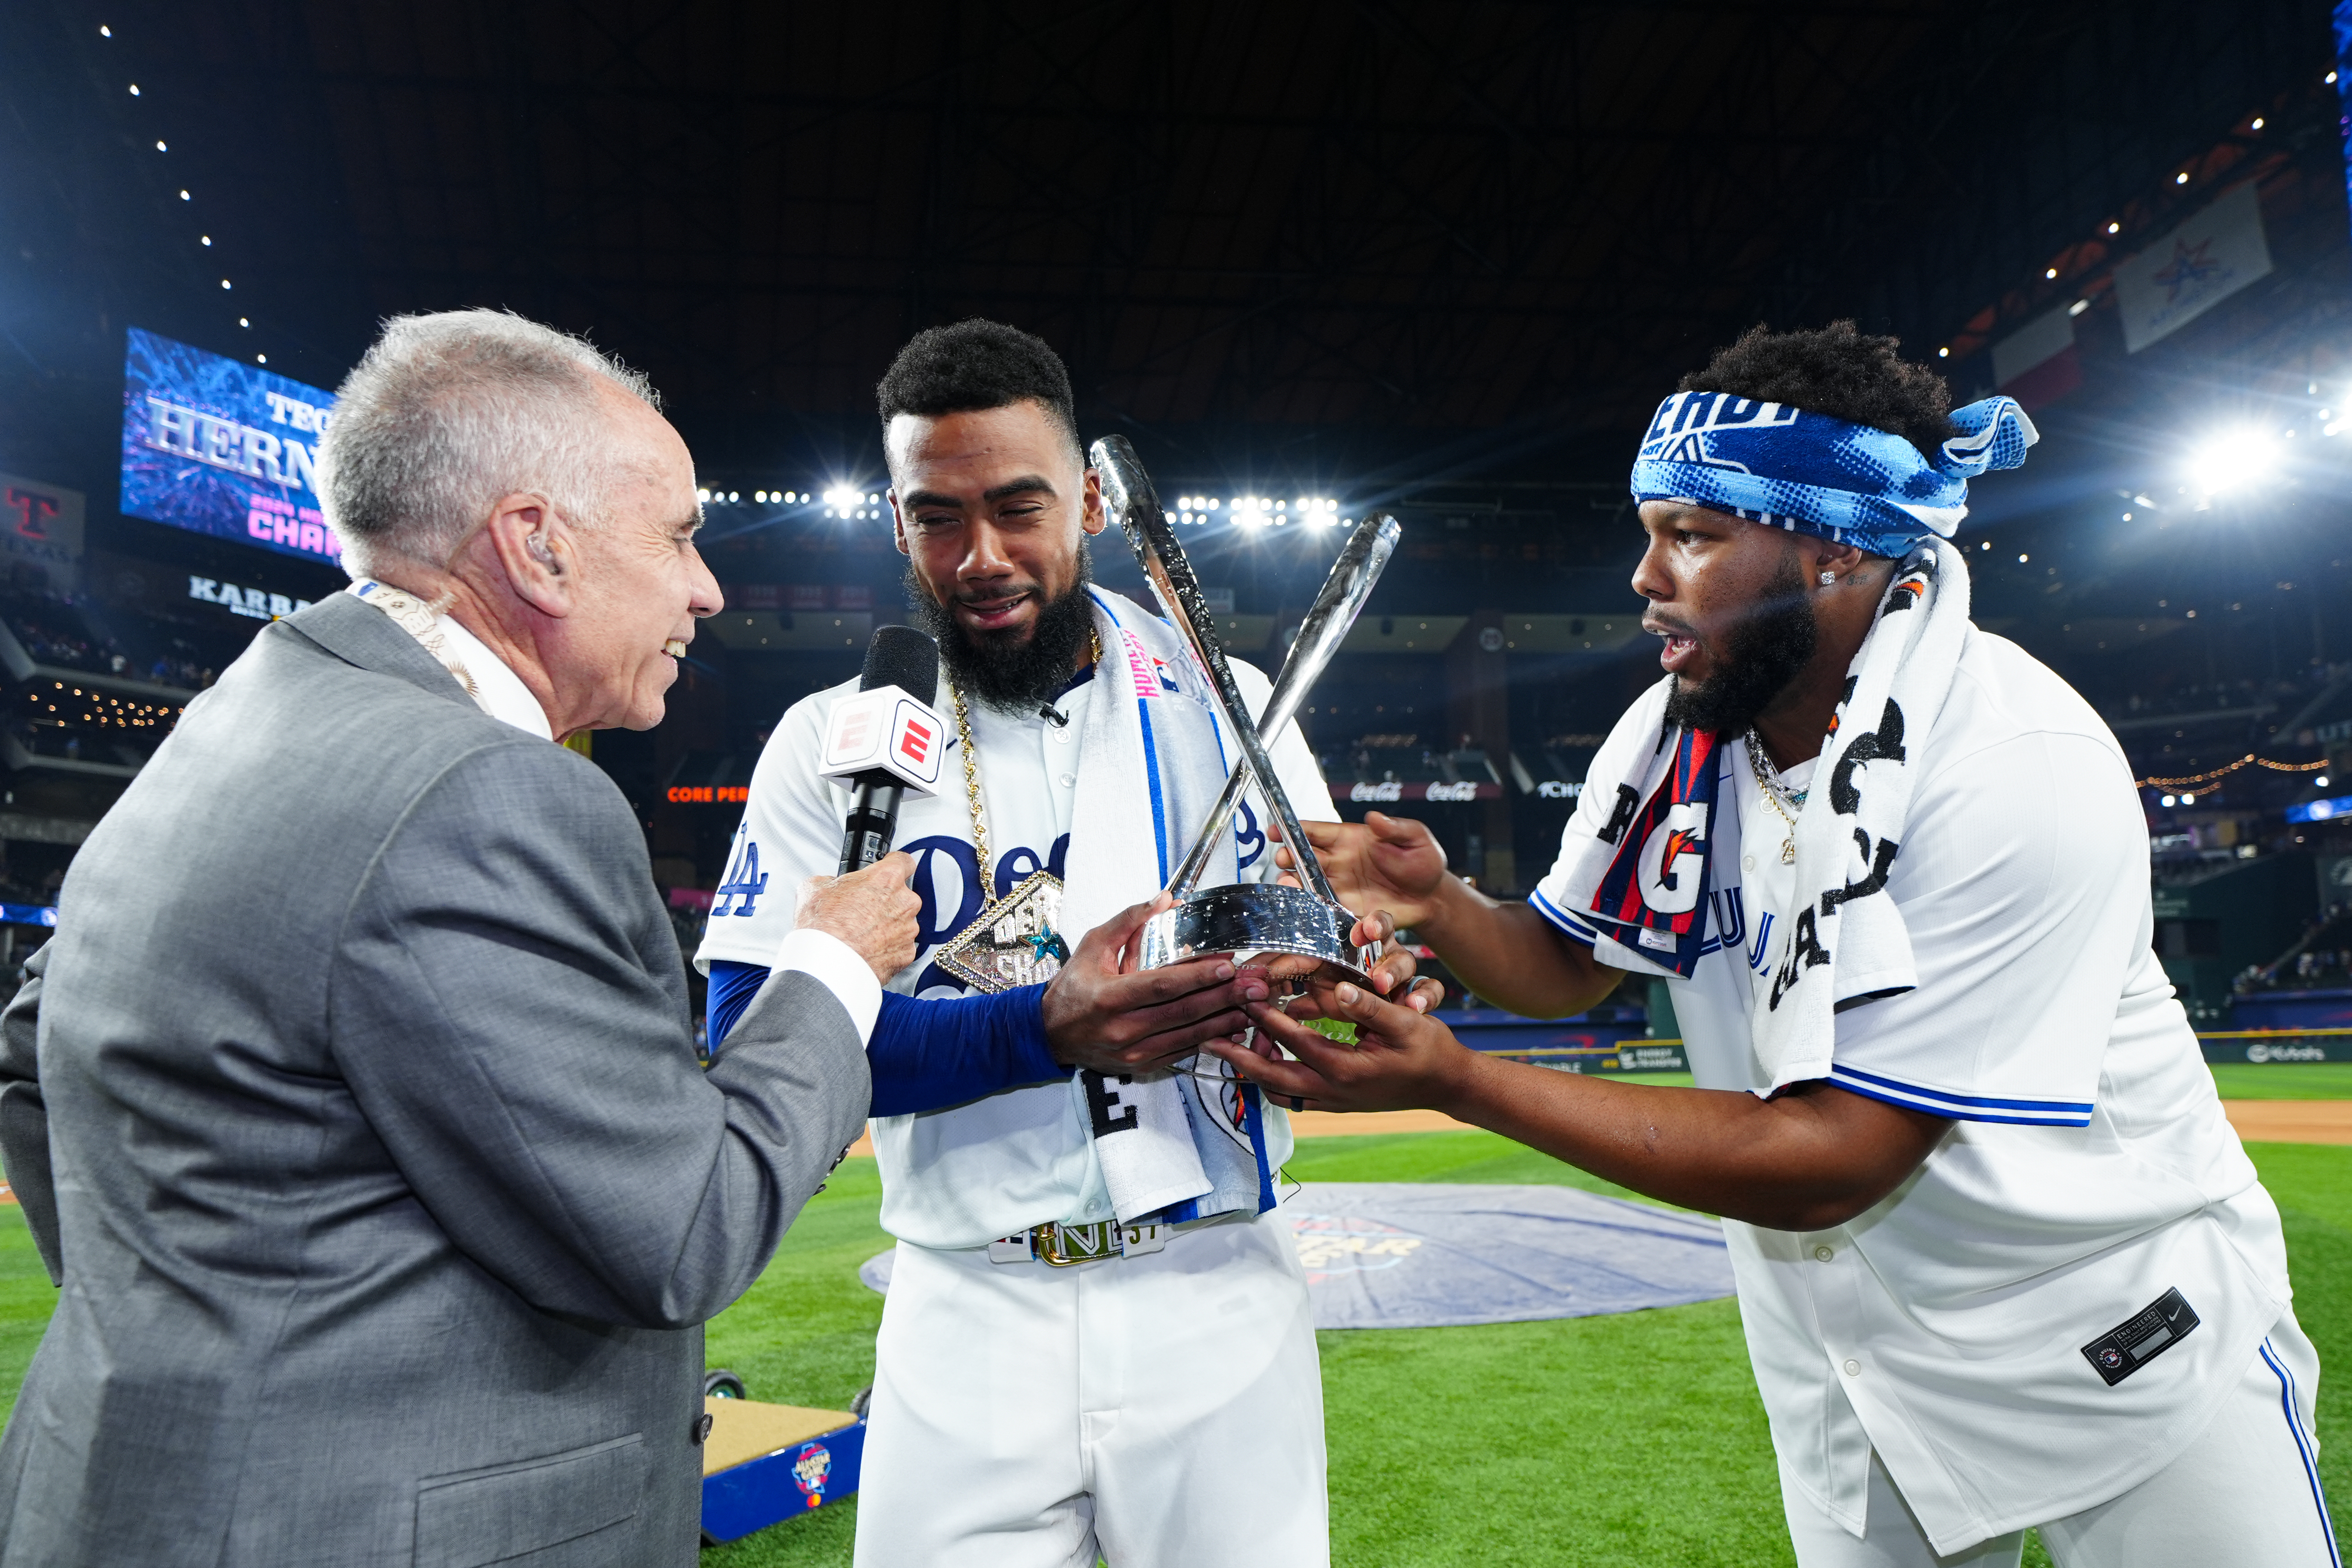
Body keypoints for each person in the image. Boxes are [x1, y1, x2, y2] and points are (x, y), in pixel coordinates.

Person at [1225, 323, 2334, 1568]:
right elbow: (1566, 964)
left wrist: (1454, 1080)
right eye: (1650, 532)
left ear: (1837, 549)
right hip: (1846, 1357)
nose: (1643, 578)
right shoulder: (1676, 727)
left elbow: (1836, 1159)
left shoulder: (2016, 760)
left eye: (1692, 536)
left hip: (2117, 1341)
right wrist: (1439, 905)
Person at [0, 310, 920, 1567]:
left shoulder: (238, 716)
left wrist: (201, 1318)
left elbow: (32, 1040)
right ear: (536, 547)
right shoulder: (488, 791)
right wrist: (831, 964)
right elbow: (686, 1226)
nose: (707, 586)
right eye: (679, 534)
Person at [697, 318, 1426, 1568]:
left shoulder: (1229, 704)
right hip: (964, 1304)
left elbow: (1316, 962)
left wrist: (1345, 984)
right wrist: (1040, 1031)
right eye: (936, 516)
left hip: (1213, 1288)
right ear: (894, 522)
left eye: (1018, 507)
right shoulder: (828, 743)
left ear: (1090, 498)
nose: (980, 557)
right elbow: (752, 1047)